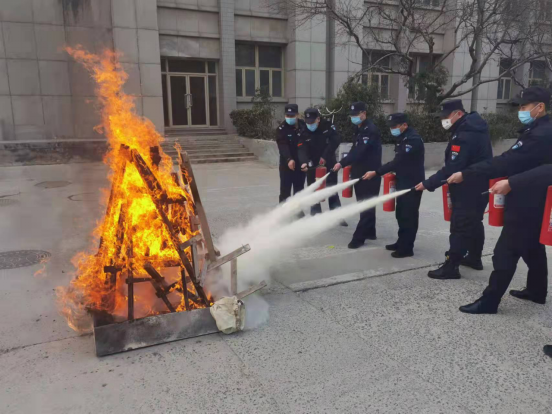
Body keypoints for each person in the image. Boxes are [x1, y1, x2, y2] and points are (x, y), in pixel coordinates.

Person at [446, 87, 552, 314]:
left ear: (540, 107)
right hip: (536, 201)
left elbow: (508, 161)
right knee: (532, 247)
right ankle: (537, 291)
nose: (520, 111)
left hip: (527, 202)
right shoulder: (539, 129)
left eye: (524, 107)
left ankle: (489, 301)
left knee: (504, 252)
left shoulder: (541, 134)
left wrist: (508, 181)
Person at [415, 100, 493, 279]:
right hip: (479, 185)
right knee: (474, 222)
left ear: (458, 113)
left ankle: (451, 267)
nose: (443, 120)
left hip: (468, 188)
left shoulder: (465, 134)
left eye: (446, 116)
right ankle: (474, 258)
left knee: (459, 226)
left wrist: (428, 183)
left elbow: (452, 168)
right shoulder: (473, 128)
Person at [363, 113, 425, 258]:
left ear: (404, 125)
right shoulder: (402, 138)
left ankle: (407, 248)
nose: (392, 129)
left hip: (412, 183)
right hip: (402, 181)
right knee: (401, 214)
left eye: (395, 126)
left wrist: (376, 172)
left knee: (408, 216)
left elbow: (398, 161)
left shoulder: (412, 139)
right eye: (391, 126)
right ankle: (401, 242)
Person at [333, 102, 382, 249]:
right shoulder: (359, 128)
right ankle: (370, 231)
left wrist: (342, 163)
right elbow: (354, 149)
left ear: (364, 113)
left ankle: (358, 238)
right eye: (352, 115)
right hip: (360, 172)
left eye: (356, 114)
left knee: (366, 204)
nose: (353, 117)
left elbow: (359, 151)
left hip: (369, 173)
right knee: (366, 203)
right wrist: (344, 163)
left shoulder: (370, 130)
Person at [298, 108, 346, 223]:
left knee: (331, 187)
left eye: (312, 122)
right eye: (308, 122)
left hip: (328, 161)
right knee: (313, 188)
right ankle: (316, 214)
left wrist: (324, 156)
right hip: (312, 164)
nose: (310, 124)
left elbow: (335, 141)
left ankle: (337, 215)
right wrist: (304, 162)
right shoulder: (303, 130)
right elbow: (301, 148)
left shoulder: (327, 126)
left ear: (318, 119)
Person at [276, 104, 306, 204]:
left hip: (300, 163)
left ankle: (298, 211)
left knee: (299, 190)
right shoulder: (281, 129)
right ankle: (283, 211)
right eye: (287, 115)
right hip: (286, 164)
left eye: (292, 116)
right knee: (285, 190)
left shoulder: (303, 126)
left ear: (297, 115)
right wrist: (289, 159)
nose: (289, 118)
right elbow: (282, 145)